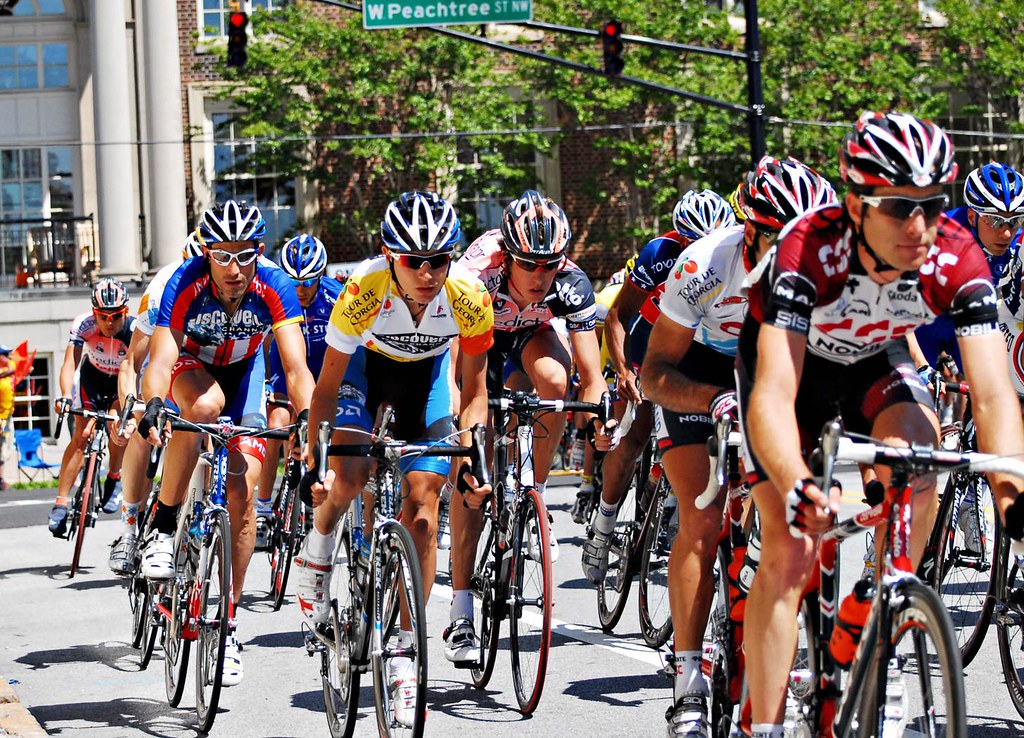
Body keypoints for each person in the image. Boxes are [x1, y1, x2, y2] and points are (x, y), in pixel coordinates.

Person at [738, 111, 1024, 738]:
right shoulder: (808, 248)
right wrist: (797, 485)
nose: (919, 227)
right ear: (855, 206)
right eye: (898, 207)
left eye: (933, 205)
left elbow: (993, 392)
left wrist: (1011, 496)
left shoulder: (955, 254)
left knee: (921, 462)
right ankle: (765, 724)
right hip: (794, 369)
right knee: (790, 546)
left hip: (875, 360)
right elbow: (775, 395)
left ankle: (883, 610)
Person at [641, 157, 837, 736]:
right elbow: (655, 372)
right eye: (783, 239)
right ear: (751, 230)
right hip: (701, 370)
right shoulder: (705, 264)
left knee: (797, 516)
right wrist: (713, 398)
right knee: (701, 521)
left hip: (774, 367)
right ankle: (688, 680)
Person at [295, 191, 494, 728]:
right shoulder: (363, 290)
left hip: (425, 383)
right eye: (413, 261)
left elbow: (475, 393)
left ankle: (405, 651)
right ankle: (318, 553)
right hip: (365, 376)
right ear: (390, 256)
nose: (427, 273)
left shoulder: (470, 296)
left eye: (439, 259)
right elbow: (325, 389)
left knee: (425, 509)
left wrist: (473, 458)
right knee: (349, 474)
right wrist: (315, 463)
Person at [138, 200, 315, 687]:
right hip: (191, 367)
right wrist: (154, 402)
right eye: (222, 255)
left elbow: (296, 368)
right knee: (203, 407)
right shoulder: (185, 281)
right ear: (206, 253)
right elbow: (160, 358)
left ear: (259, 251)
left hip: (245, 373)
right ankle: (164, 523)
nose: (234, 268)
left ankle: (229, 622)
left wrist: (306, 418)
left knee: (243, 493)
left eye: (244, 255)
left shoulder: (275, 284)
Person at [448, 189, 616, 671]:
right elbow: (455, 366)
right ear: (508, 256)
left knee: (557, 383)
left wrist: (599, 417)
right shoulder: (477, 273)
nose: (540, 276)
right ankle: (460, 611)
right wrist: (461, 413)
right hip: (477, 339)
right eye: (529, 265)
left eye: (549, 265)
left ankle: (532, 492)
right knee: (473, 475)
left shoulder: (572, 282)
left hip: (528, 336)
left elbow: (591, 373)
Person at [581, 189, 735, 584]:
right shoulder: (659, 253)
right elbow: (618, 316)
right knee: (632, 437)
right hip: (649, 340)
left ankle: (673, 509)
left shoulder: (734, 257)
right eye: (691, 242)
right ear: (679, 237)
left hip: (701, 346)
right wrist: (624, 372)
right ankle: (604, 524)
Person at [107, 230, 206, 574]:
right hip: (166, 366)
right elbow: (132, 363)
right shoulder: (165, 287)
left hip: (205, 370)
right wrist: (129, 410)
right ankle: (129, 529)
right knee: (140, 431)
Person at [254, 234, 343, 551]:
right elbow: (263, 341)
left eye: (308, 281)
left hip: (325, 369)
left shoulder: (336, 297)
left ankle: (321, 495)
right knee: (277, 425)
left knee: (329, 429)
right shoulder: (276, 296)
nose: (301, 289)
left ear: (322, 275)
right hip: (285, 363)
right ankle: (263, 508)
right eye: (294, 282)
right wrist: (267, 382)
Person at [48, 278, 134, 536]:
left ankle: (114, 476)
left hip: (120, 383)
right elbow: (70, 363)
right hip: (92, 379)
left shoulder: (135, 329)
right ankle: (61, 503)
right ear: (94, 313)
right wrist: (65, 395)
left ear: (126, 312)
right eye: (103, 316)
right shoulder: (83, 324)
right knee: (82, 435)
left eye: (116, 315)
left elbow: (139, 370)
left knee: (117, 428)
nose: (109, 322)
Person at [0, 345, 15, 490]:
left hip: (7, 415)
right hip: (0, 415)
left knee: (4, 446)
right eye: (5, 354)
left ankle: (0, 478)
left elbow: (15, 370)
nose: (8, 357)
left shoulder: (9, 366)